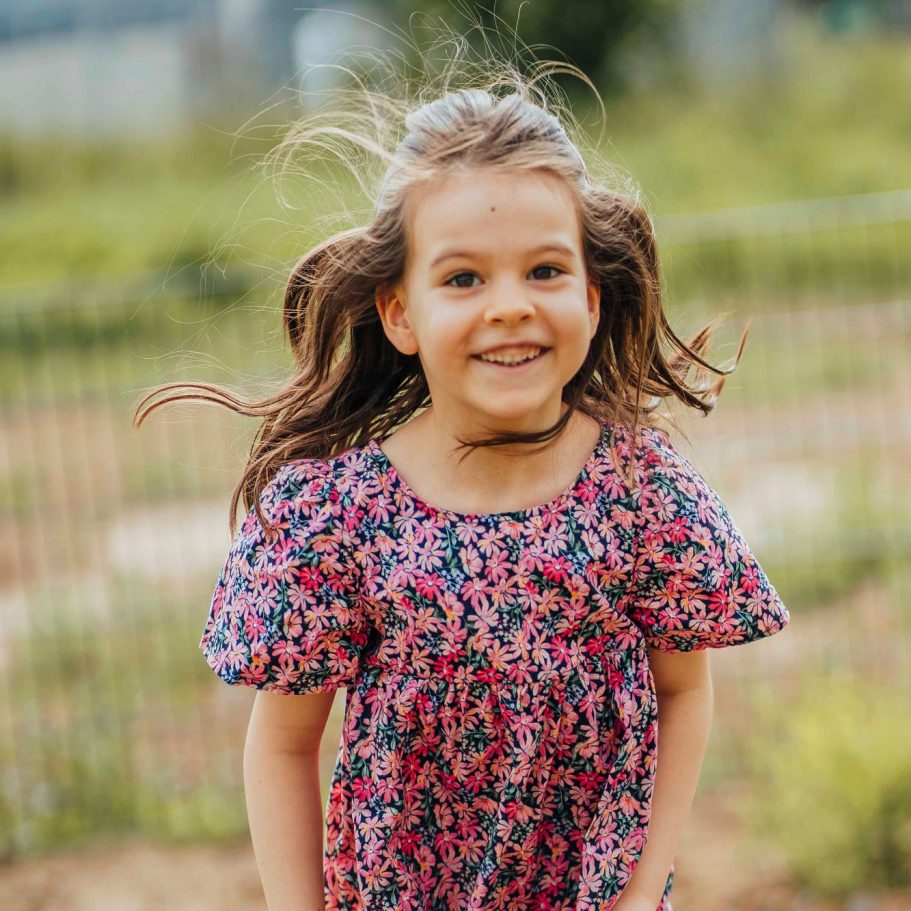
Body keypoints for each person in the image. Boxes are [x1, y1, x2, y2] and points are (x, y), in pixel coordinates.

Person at [133, 43, 790, 911]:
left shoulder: (643, 489)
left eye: (545, 270)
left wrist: (640, 892)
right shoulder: (335, 514)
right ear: (400, 312)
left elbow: (683, 692)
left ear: (592, 299)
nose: (510, 303)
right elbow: (283, 744)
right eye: (463, 277)